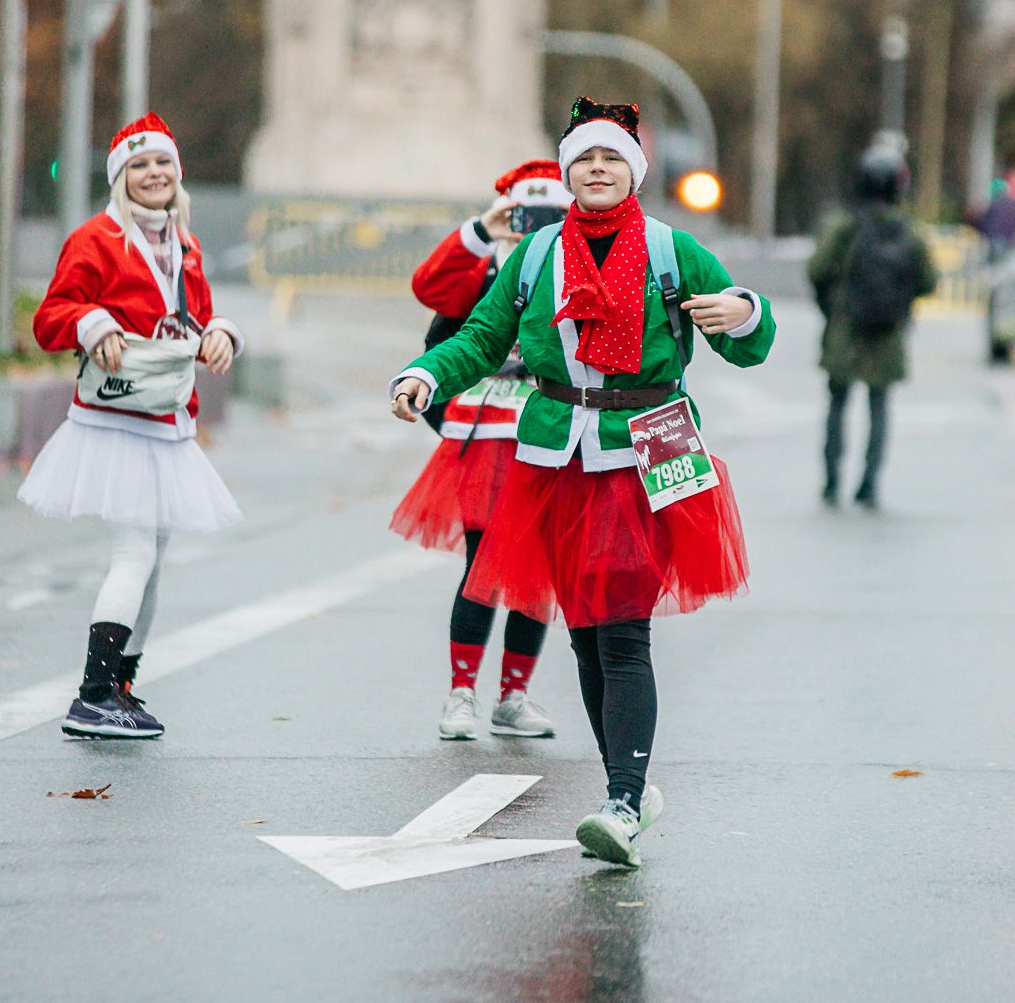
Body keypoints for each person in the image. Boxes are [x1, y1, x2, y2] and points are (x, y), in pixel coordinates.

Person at [389, 98, 776, 867]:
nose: (598, 169)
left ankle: (623, 802)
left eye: (612, 159)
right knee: (586, 636)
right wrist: (425, 374)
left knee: (625, 629)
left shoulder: (672, 251)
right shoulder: (536, 257)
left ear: (633, 172)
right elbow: (480, 338)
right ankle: (625, 788)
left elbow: (749, 343)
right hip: (555, 460)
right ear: (568, 172)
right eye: (585, 159)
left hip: (648, 451)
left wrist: (742, 311)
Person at [20, 113, 243, 739]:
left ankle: (119, 686)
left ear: (178, 172)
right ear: (121, 177)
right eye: (139, 165)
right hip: (115, 421)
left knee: (154, 561)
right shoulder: (96, 238)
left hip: (167, 420)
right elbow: (50, 318)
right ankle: (93, 695)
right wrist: (91, 324)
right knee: (134, 553)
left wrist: (221, 333)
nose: (153, 174)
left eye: (163, 162)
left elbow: (197, 317)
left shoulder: (186, 244)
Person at [391, 160, 573, 742]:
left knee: (538, 569)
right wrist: (482, 230)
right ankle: (462, 691)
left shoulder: (575, 264)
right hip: (484, 432)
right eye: (526, 213)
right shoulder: (489, 264)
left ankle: (513, 696)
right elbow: (430, 288)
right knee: (483, 563)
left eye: (552, 214)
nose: (536, 226)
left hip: (551, 426)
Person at [806, 138, 939, 511]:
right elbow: (929, 281)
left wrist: (833, 301)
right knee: (879, 407)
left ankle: (832, 481)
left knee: (837, 403)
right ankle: (869, 484)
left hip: (844, 330)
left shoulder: (844, 226)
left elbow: (817, 269)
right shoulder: (909, 231)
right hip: (888, 333)